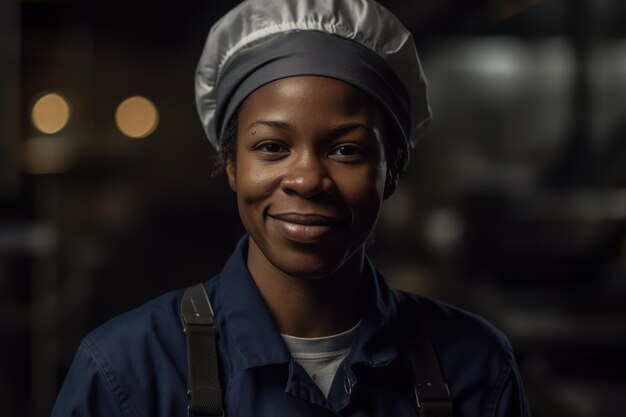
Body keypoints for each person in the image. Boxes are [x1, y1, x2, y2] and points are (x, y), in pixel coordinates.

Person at [51, 0, 531, 416]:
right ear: (231, 166)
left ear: (391, 172)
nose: (306, 179)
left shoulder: (476, 367)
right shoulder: (127, 370)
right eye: (271, 147)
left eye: (346, 150)